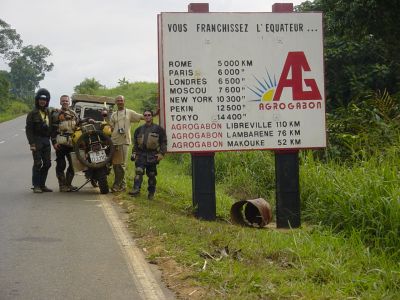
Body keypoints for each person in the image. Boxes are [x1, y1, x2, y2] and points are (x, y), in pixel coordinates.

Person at [129, 109, 167, 200]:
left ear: (152, 116)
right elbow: (136, 144)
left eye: (149, 115)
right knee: (139, 171)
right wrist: (134, 153)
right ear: (144, 117)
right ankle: (136, 189)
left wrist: (161, 153)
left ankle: (151, 193)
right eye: (145, 115)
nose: (147, 117)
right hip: (141, 154)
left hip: (152, 155)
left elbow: (164, 142)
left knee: (151, 174)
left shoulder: (159, 129)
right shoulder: (139, 130)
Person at [109, 95, 144, 192]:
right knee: (116, 165)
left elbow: (140, 116)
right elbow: (110, 127)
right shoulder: (113, 115)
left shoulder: (129, 112)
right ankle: (123, 185)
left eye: (121, 100)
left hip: (125, 141)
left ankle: (117, 185)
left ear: (124, 101)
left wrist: (152, 114)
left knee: (122, 164)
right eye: (118, 100)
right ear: (116, 102)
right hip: (114, 141)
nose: (120, 102)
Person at [25, 88, 53, 193]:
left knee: (47, 164)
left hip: (46, 140)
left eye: (44, 100)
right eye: (41, 99)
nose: (42, 101)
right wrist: (31, 143)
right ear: (37, 100)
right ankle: (36, 185)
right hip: (36, 140)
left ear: (47, 101)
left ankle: (42, 185)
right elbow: (29, 130)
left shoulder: (48, 112)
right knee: (37, 163)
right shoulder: (32, 113)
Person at [50, 95, 79, 192]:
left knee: (73, 165)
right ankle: (62, 186)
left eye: (66, 101)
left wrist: (88, 119)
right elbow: (53, 130)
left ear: (69, 102)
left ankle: (68, 184)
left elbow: (78, 125)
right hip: (61, 143)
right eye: (63, 101)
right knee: (61, 165)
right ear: (60, 102)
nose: (65, 102)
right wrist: (54, 142)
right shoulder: (56, 114)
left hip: (72, 143)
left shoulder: (74, 114)